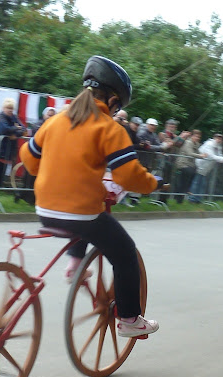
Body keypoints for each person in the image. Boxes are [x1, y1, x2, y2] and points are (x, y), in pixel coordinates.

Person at [19, 55, 162, 338]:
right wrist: (152, 184)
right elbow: (128, 176)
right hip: (80, 214)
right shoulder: (109, 128)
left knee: (90, 216)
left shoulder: (56, 120)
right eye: (118, 107)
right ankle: (130, 319)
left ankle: (75, 265)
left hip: (44, 209)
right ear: (113, 100)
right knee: (125, 253)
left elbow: (30, 161)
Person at [0, 98, 26, 199]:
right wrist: (16, 128)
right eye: (8, 108)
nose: (10, 110)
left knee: (0, 177)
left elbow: (24, 129)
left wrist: (15, 134)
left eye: (11, 108)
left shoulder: (14, 118)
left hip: (6, 152)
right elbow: (3, 130)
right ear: (3, 108)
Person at [191, 132, 223, 203]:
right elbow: (211, 156)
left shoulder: (218, 146)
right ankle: (192, 198)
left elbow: (220, 155)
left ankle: (198, 199)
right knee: (196, 183)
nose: (219, 140)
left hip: (206, 168)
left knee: (202, 184)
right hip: (199, 165)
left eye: (221, 139)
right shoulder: (209, 144)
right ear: (214, 138)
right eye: (218, 138)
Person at [175, 129, 205, 204]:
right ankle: (181, 196)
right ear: (192, 136)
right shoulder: (188, 142)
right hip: (182, 163)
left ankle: (184, 193)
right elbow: (190, 153)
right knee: (188, 175)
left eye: (198, 137)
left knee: (189, 177)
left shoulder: (196, 144)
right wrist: (200, 156)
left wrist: (203, 155)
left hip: (190, 164)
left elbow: (198, 152)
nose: (197, 138)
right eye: (196, 136)